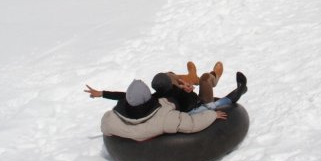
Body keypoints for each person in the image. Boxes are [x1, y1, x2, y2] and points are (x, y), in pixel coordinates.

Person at [85, 62, 248, 113]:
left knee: (168, 73)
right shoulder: (175, 97)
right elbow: (208, 106)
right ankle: (214, 77)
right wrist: (240, 89)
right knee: (205, 79)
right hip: (201, 103)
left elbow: (124, 96)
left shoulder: (154, 97)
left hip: (188, 94)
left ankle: (191, 76)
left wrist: (101, 93)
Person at [100, 79, 227, 141]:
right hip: (190, 104)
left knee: (172, 84)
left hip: (179, 98)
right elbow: (192, 123)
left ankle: (191, 80)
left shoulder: (109, 120)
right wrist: (212, 115)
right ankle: (209, 78)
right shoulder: (165, 117)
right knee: (204, 84)